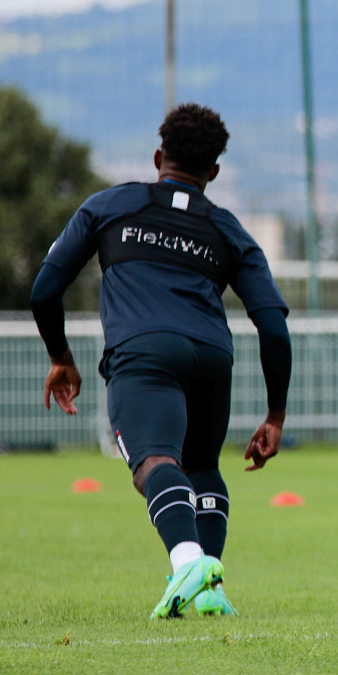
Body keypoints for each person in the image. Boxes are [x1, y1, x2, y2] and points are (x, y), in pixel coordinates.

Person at [31, 103, 292, 619]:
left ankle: (188, 560)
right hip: (213, 357)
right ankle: (209, 588)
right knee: (202, 468)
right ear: (213, 172)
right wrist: (275, 415)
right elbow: (273, 325)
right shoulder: (229, 230)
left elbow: (44, 291)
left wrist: (61, 357)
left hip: (145, 354)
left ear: (158, 157)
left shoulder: (110, 206)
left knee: (153, 463)